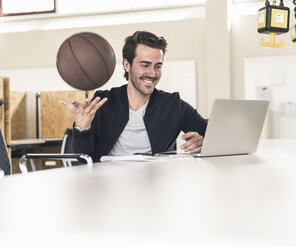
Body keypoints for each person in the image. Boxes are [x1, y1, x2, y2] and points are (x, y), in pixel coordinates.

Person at [59, 31, 208, 162]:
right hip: (109, 184)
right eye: (145, 65)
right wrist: (82, 129)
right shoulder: (102, 102)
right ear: (127, 65)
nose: (152, 73)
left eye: (158, 66)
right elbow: (83, 160)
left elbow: (214, 134)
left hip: (156, 184)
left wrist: (204, 142)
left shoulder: (173, 105)